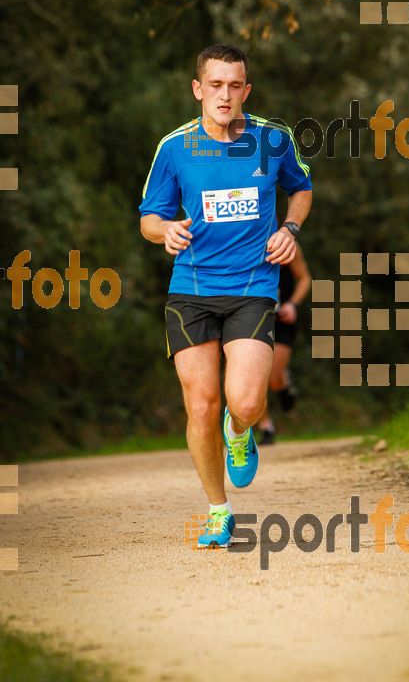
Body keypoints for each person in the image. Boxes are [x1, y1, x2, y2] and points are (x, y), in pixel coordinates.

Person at [139, 45, 312, 548]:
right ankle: (218, 510)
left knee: (247, 400)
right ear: (198, 89)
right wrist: (164, 232)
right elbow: (150, 216)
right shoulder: (174, 147)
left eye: (235, 86)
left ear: (246, 91)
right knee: (200, 405)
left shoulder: (271, 139)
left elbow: (301, 188)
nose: (225, 95)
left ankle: (239, 432)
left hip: (253, 287)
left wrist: (291, 227)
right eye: (215, 85)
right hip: (190, 289)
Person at [257, 244, 311, 445]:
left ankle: (283, 382)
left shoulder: (287, 245)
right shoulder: (241, 239)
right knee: (256, 375)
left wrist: (293, 304)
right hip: (255, 319)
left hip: (282, 320)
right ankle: (266, 426)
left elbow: (305, 278)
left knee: (273, 379)